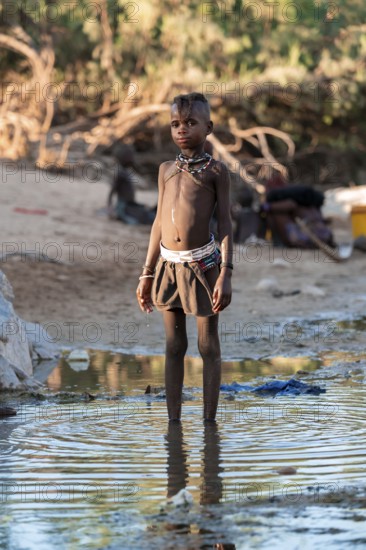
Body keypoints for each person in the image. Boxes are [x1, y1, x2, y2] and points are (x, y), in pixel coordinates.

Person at [136, 92, 233, 422]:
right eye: (175, 123)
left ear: (208, 127)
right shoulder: (165, 170)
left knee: (208, 347)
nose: (181, 129)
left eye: (190, 123)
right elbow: (157, 223)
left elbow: (226, 224)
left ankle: (209, 424)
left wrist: (226, 272)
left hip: (204, 266)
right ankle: (174, 424)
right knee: (174, 346)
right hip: (167, 267)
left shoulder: (216, 172)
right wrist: (146, 274)